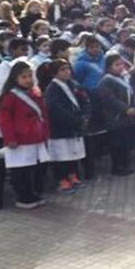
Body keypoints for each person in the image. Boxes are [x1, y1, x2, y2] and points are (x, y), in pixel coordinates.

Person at [0, 61, 51, 209]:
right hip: (20, 140)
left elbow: (43, 114)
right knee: (21, 170)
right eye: (24, 77)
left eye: (30, 76)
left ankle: (32, 193)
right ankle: (23, 196)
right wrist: (10, 138)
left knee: (34, 168)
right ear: (15, 78)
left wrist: (46, 132)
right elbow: (4, 120)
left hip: (35, 137)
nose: (28, 80)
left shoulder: (34, 92)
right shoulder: (10, 96)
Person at [43, 59, 89, 194]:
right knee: (61, 157)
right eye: (62, 70)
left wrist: (85, 115)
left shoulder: (73, 84)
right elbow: (56, 109)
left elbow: (84, 99)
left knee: (73, 154)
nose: (67, 72)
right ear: (54, 73)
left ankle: (72, 175)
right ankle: (62, 180)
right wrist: (74, 120)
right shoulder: (52, 89)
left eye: (68, 68)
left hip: (74, 127)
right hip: (60, 129)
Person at [94, 53, 135, 175]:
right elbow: (109, 99)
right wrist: (125, 109)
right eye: (117, 65)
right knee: (116, 143)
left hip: (129, 117)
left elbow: (134, 92)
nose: (120, 67)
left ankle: (126, 164)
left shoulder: (125, 77)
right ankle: (117, 167)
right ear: (109, 67)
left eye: (122, 64)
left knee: (126, 143)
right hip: (115, 118)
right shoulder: (106, 80)